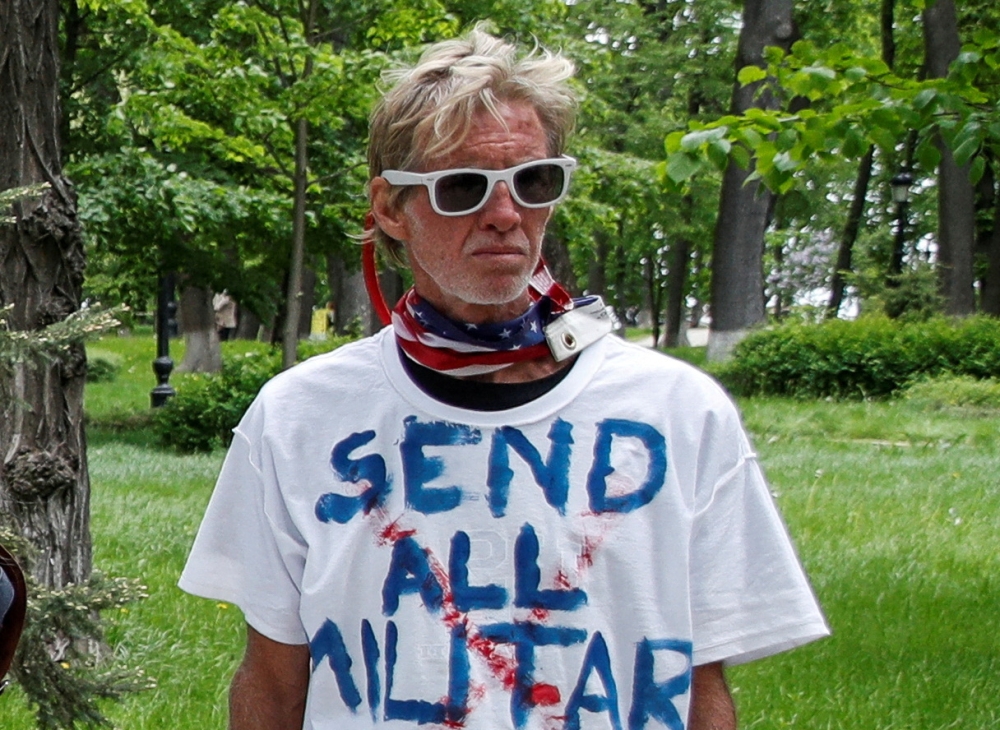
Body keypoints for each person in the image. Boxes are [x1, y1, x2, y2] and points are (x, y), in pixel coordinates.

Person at [179, 27, 828, 730]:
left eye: (533, 180)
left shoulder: (679, 412)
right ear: (391, 208)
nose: (505, 214)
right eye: (463, 187)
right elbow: (273, 688)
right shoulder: (299, 418)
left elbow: (703, 690)